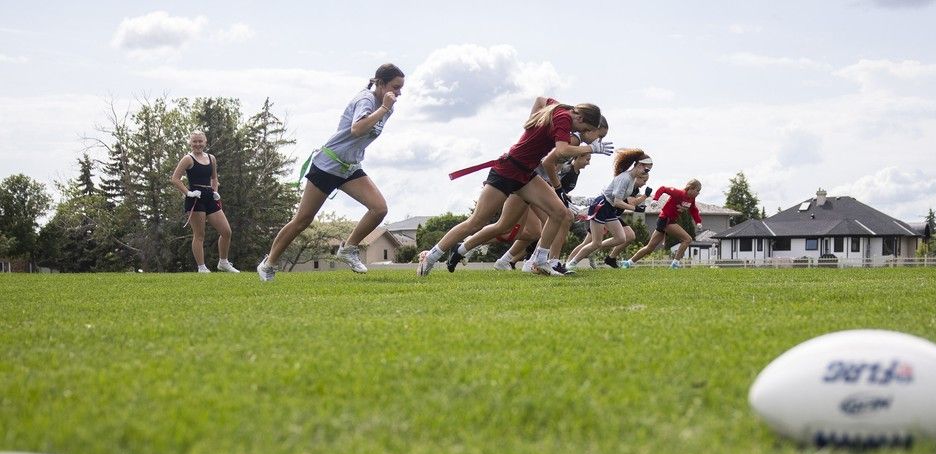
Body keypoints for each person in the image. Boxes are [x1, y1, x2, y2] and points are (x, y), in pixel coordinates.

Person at [417, 97, 611, 277]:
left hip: (526, 174)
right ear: (581, 118)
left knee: (560, 213)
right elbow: (561, 151)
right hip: (507, 170)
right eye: (587, 129)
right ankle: (431, 256)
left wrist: (530, 123)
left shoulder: (562, 108)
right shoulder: (564, 118)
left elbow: (541, 99)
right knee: (476, 222)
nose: (588, 136)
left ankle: (541, 261)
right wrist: (591, 149)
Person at [257, 63, 404, 281]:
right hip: (328, 165)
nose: (399, 92)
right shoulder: (367, 101)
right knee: (303, 220)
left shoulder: (388, 106)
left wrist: (385, 108)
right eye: (395, 86)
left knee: (379, 209)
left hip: (349, 167)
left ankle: (348, 248)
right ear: (380, 84)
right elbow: (357, 129)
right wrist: (383, 108)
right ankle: (268, 264)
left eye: (401, 88)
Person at [564, 149, 652, 272]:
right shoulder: (625, 178)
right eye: (646, 170)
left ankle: (582, 256)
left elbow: (619, 201)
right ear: (639, 165)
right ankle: (570, 264)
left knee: (621, 238)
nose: (646, 173)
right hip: (601, 206)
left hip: (609, 208)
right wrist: (635, 208)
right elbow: (617, 202)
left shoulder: (631, 179)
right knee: (595, 243)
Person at [170, 130, 237, 273]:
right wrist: (188, 192)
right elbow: (175, 179)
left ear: (205, 142)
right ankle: (201, 267)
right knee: (199, 235)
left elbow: (214, 179)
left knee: (226, 232)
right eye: (194, 141)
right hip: (195, 198)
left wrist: (215, 192)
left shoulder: (211, 158)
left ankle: (223, 262)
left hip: (209, 197)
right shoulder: (188, 159)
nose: (198, 144)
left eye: (200, 141)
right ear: (190, 142)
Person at [627, 179, 703, 269]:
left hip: (668, 221)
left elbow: (693, 210)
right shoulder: (679, 193)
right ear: (690, 188)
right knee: (687, 239)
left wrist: (698, 222)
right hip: (665, 220)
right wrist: (655, 199)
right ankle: (675, 264)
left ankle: (628, 263)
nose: (698, 193)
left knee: (650, 248)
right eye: (697, 190)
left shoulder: (691, 199)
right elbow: (663, 188)